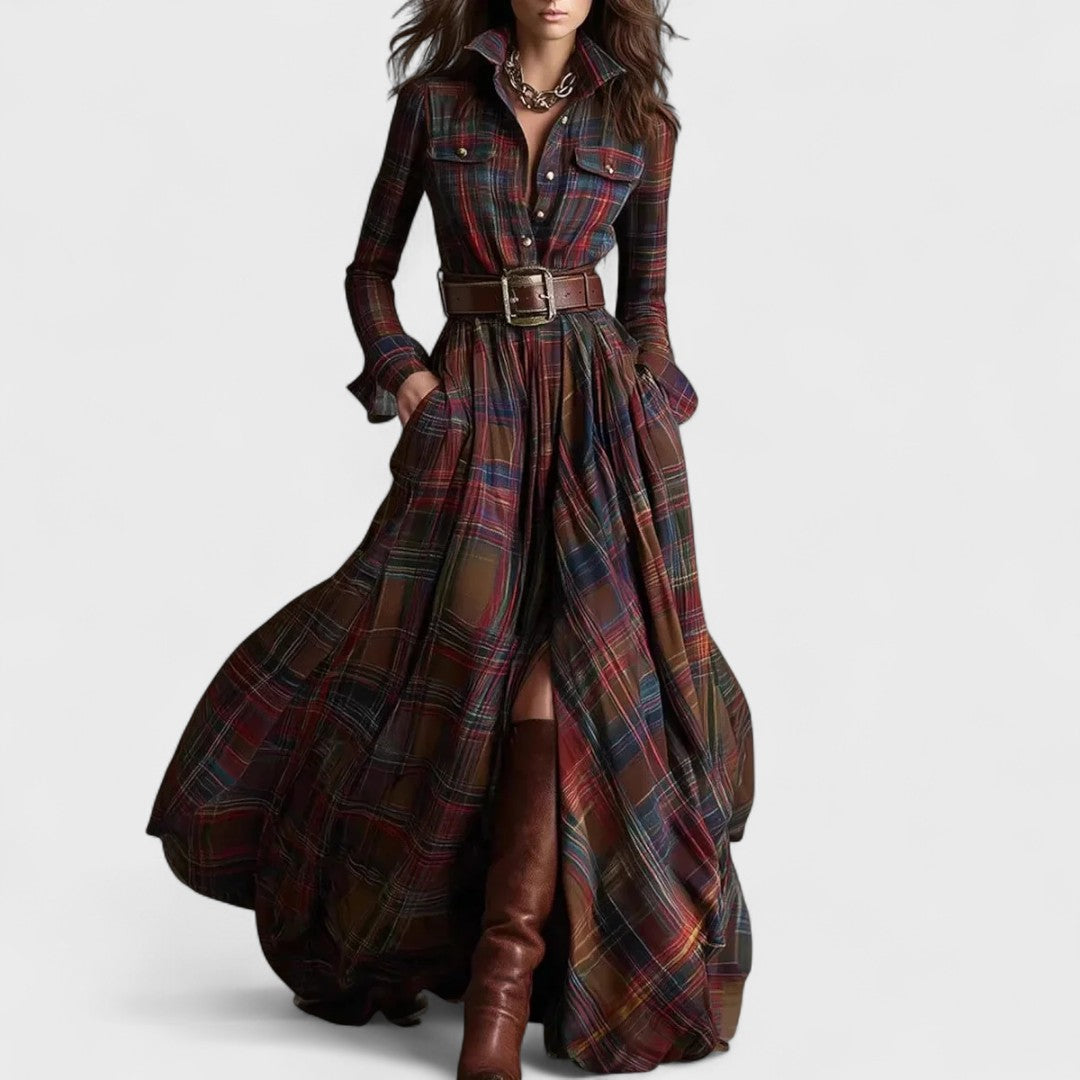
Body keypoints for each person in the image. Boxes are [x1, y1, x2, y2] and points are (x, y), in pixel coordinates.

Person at [144, 1, 755, 1076]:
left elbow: (647, 306)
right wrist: (414, 383)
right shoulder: (435, 107)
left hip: (601, 425)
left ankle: (502, 992)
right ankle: (401, 920)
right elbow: (368, 273)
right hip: (477, 410)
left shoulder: (642, 124)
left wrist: (652, 404)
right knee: (457, 656)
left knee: (584, 665)